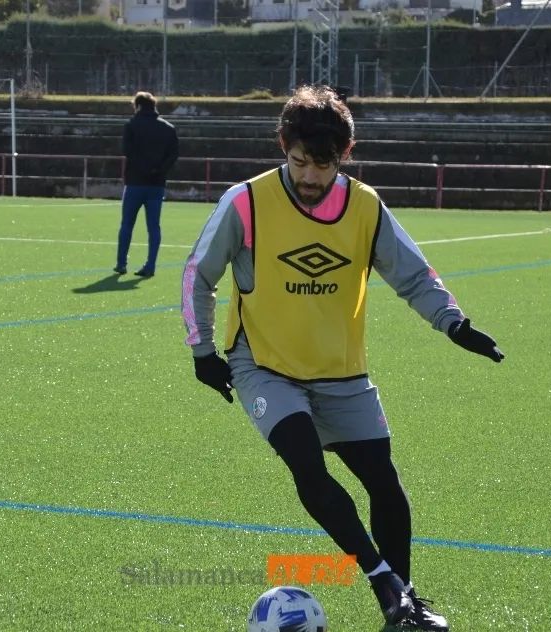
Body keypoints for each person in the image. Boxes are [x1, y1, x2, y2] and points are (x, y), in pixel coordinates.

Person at [180, 85, 505, 631]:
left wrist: (454, 323)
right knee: (306, 463)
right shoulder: (246, 202)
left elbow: (413, 274)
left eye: (322, 165)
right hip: (264, 364)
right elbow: (198, 274)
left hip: (341, 370)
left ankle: (402, 606)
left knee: (383, 481)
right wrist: (202, 351)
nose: (309, 177)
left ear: (345, 155)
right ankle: (385, 584)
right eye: (298, 161)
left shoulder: (364, 206)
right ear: (283, 146)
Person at [114, 91, 179, 278]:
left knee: (127, 224)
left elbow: (128, 151)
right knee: (154, 226)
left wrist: (143, 168)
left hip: (135, 182)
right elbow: (173, 155)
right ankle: (150, 265)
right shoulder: (168, 128)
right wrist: (158, 170)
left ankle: (121, 263)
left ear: (138, 105)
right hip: (156, 184)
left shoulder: (132, 125)